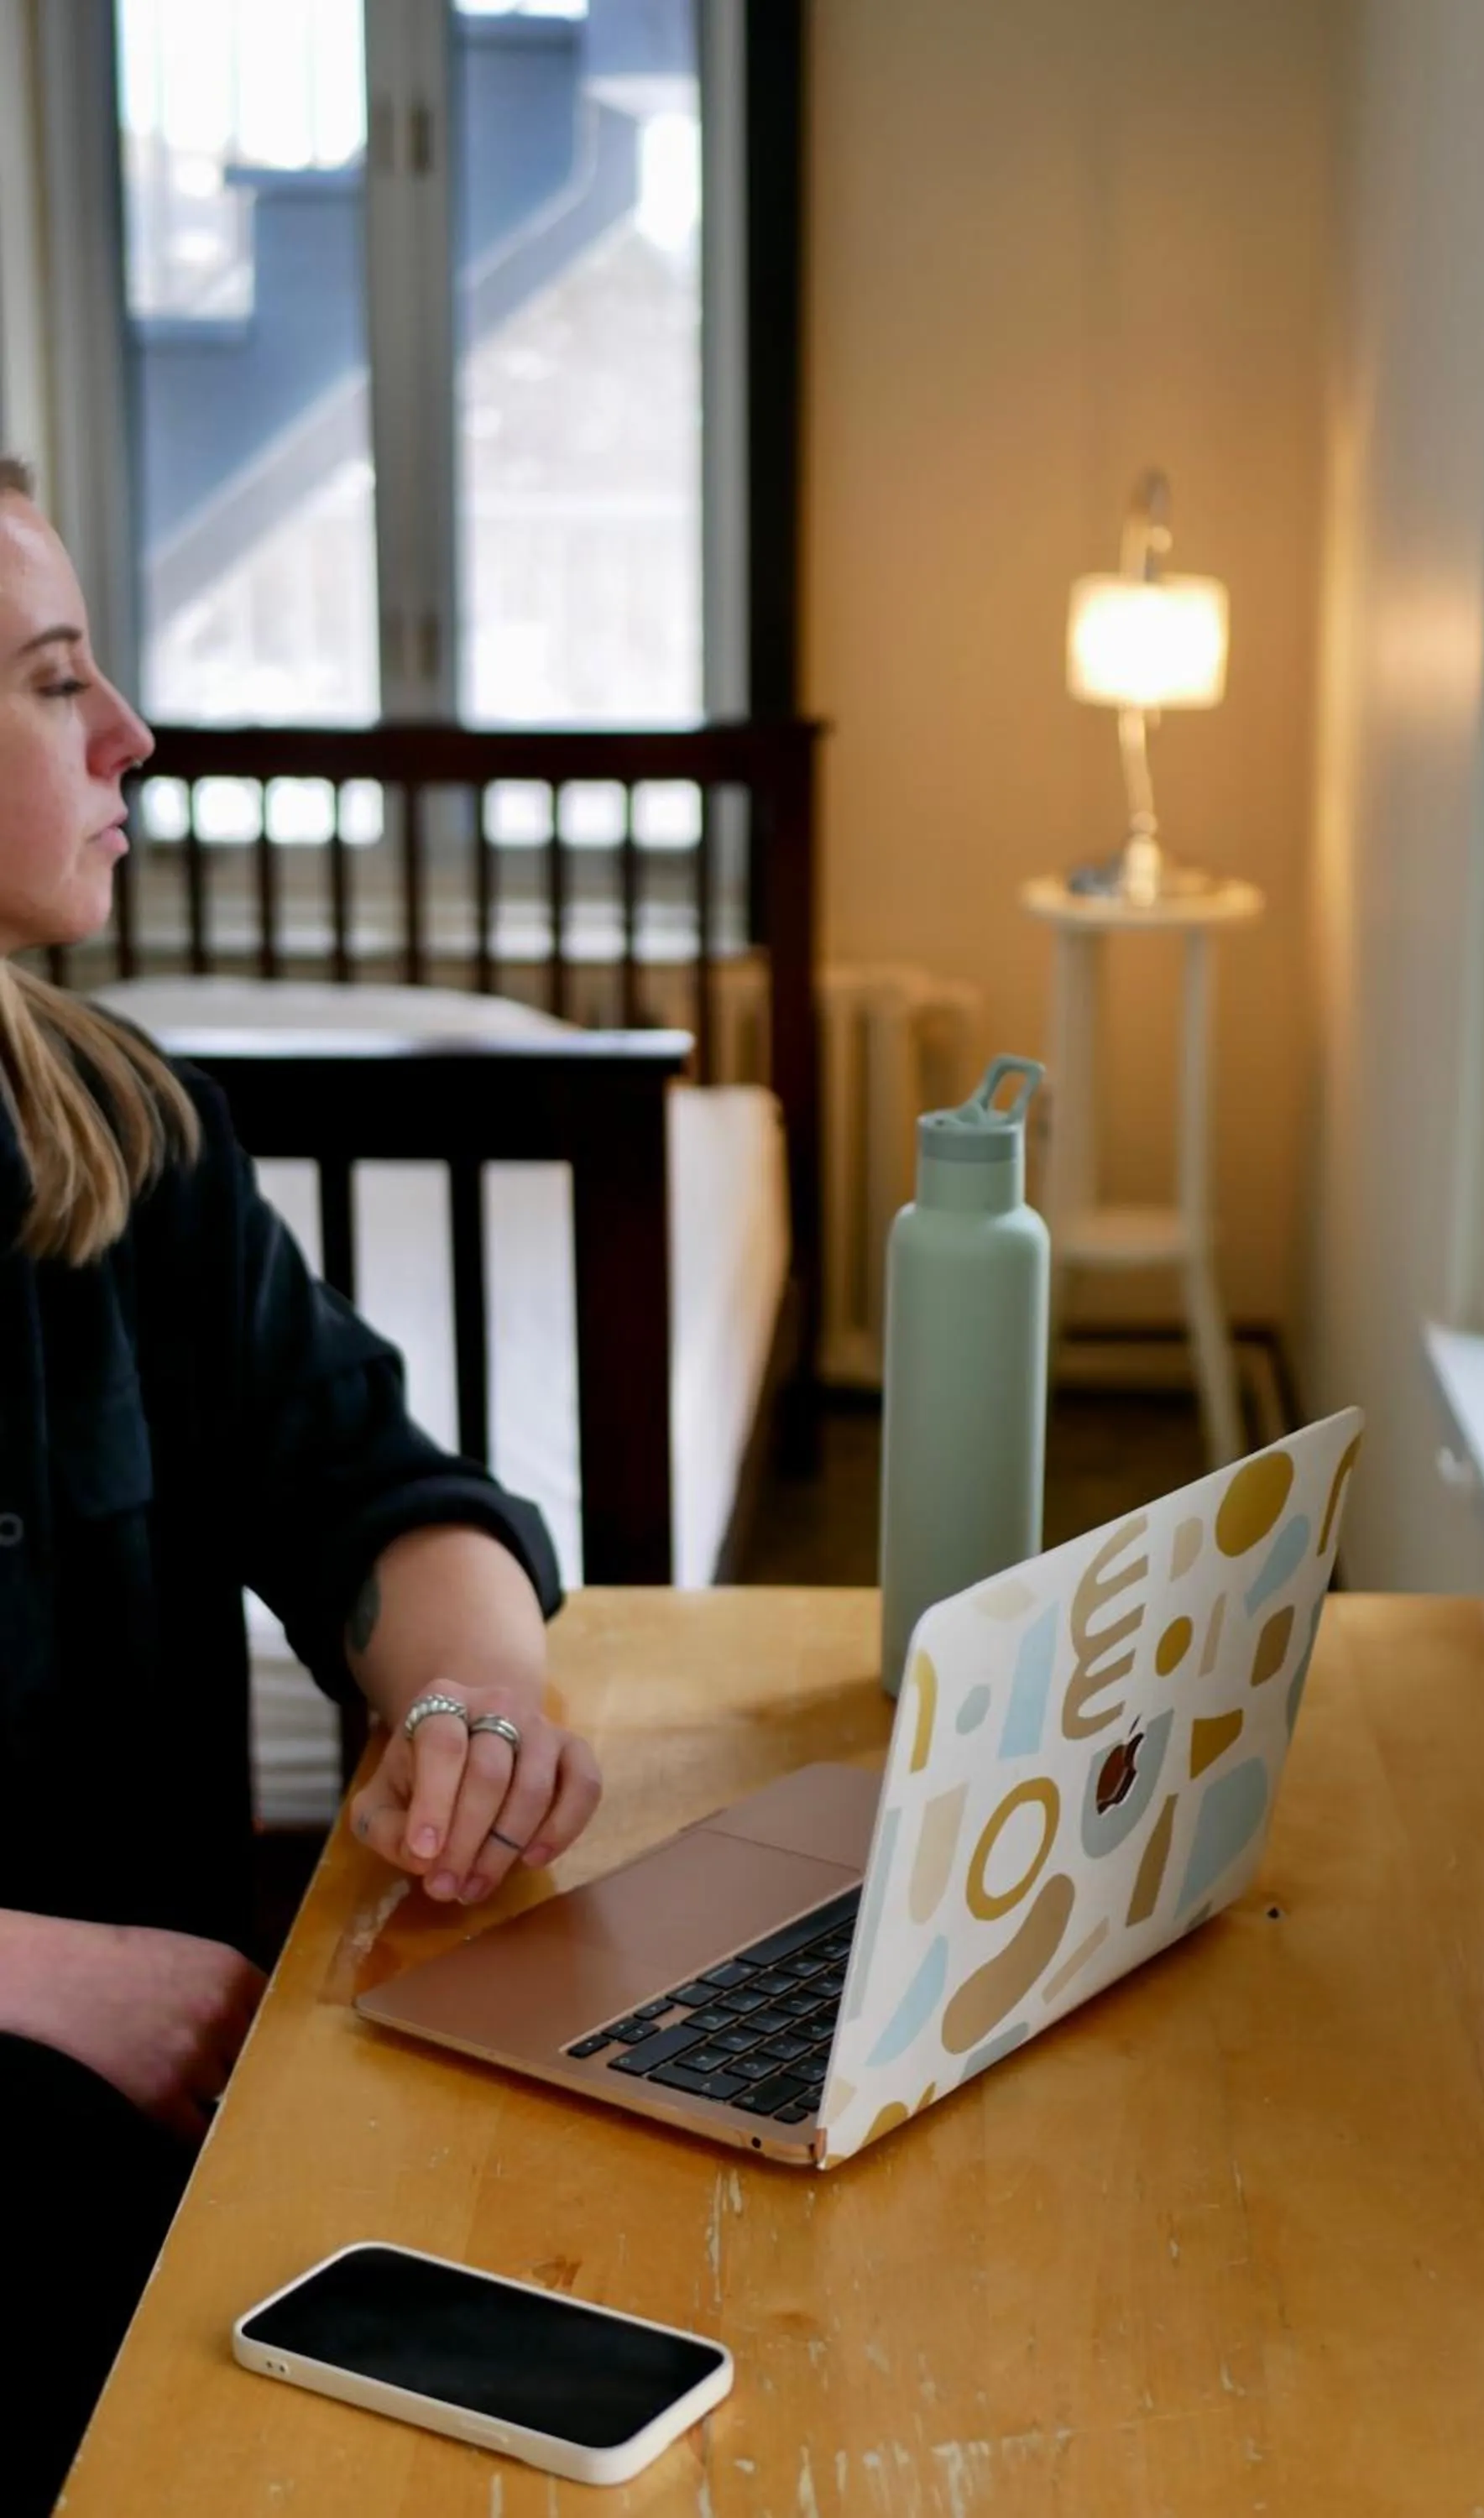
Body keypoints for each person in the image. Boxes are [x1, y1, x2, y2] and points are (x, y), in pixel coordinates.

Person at [0, 453, 603, 2513]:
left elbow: (383, 1489)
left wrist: (474, 1703)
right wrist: (52, 1969)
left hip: (159, 2176)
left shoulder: (128, 1141)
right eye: (54, 679)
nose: (129, 736)